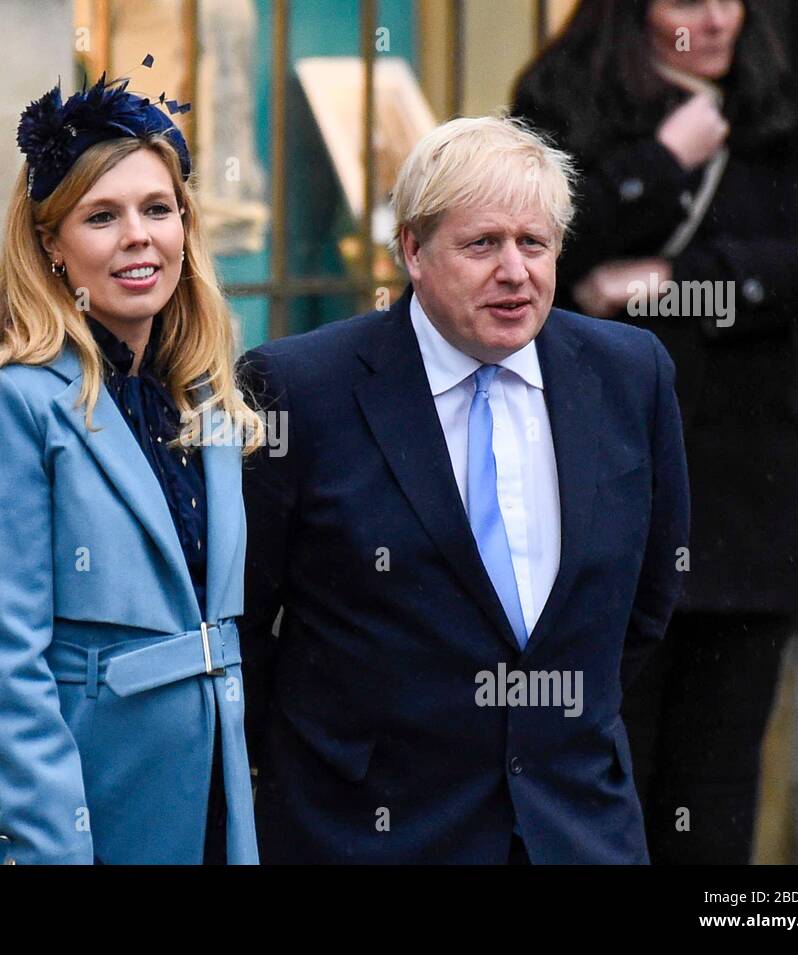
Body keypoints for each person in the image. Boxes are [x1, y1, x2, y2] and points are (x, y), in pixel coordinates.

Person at [238, 115, 689, 864]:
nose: (514, 271)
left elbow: (647, 595)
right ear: (413, 249)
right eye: (482, 244)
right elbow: (245, 621)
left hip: (574, 829)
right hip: (365, 832)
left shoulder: (629, 373)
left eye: (533, 243)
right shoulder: (300, 388)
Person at [513, 0, 798, 864]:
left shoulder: (769, 111)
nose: (716, 17)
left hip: (745, 496)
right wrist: (663, 161)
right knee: (604, 765)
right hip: (604, 487)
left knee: (719, 780)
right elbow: (544, 245)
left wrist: (671, 281)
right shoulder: (562, 100)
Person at [0, 74, 265, 865]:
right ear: (51, 245)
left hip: (203, 808)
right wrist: (56, 848)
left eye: (158, 208)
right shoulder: (10, 398)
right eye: (101, 217)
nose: (139, 236)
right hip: (75, 817)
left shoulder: (205, 395)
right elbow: (9, 665)